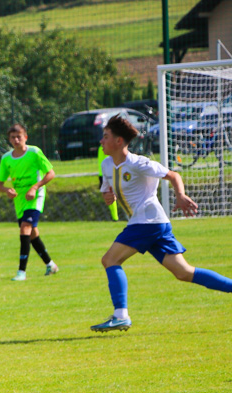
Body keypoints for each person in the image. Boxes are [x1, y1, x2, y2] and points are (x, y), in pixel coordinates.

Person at [91, 114, 232, 332]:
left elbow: (174, 175)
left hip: (147, 222)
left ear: (119, 141)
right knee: (184, 272)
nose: (101, 141)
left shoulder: (139, 163)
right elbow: (108, 192)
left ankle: (121, 315)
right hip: (153, 224)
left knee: (110, 260)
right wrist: (109, 197)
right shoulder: (107, 164)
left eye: (106, 136)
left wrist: (181, 195)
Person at [0, 124, 58, 280]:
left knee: (25, 228)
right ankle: (50, 264)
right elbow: (0, 185)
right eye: (12, 137)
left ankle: (21, 272)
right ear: (9, 139)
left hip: (35, 197)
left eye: (19, 136)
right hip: (20, 201)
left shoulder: (34, 152)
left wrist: (35, 187)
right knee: (32, 234)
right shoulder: (6, 158)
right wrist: (7, 190)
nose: (16, 140)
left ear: (26, 137)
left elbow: (51, 173)